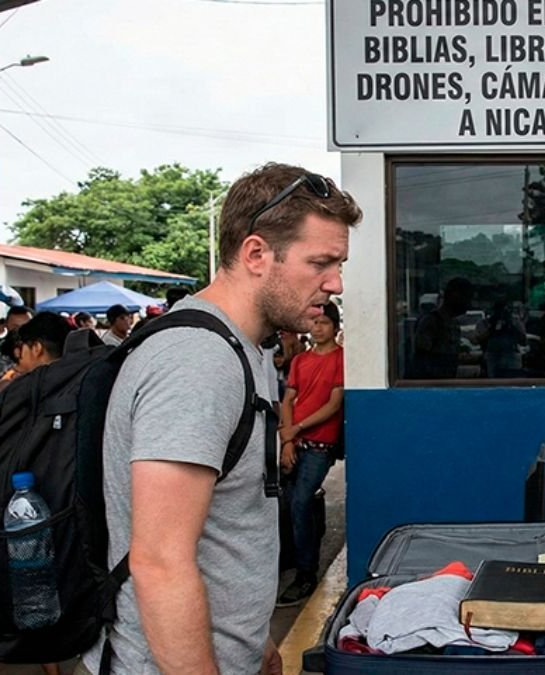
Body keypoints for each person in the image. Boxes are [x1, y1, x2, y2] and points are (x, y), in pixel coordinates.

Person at [77, 164, 360, 675]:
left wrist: (254, 642)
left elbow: (227, 525)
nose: (335, 283)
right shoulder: (198, 362)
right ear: (256, 254)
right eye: (320, 262)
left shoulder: (238, 346)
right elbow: (159, 562)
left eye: (338, 264)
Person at [276, 302, 344, 606]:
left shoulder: (341, 359)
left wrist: (295, 429)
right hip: (295, 440)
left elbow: (333, 404)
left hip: (320, 445)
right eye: (314, 322)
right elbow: (288, 401)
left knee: (301, 502)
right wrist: (288, 440)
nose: (317, 328)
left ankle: (306, 573)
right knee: (291, 503)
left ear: (335, 328)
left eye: (324, 323)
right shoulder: (300, 360)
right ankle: (297, 560)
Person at [0, 312, 72, 405]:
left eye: (22, 345)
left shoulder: (8, 392)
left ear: (36, 348)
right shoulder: (76, 384)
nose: (19, 354)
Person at [411, 277, 473, 379]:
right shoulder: (430, 322)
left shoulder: (454, 324)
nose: (469, 304)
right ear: (455, 296)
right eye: (467, 298)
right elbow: (422, 361)